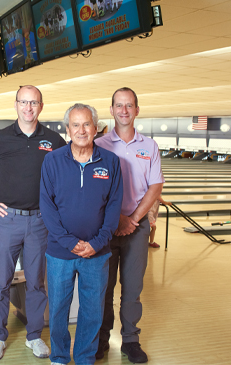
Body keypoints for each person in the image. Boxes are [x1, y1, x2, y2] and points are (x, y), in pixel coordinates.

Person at [0, 85, 66, 361]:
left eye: (33, 102)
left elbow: (67, 174)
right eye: (24, 102)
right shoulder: (0, 138)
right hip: (7, 219)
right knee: (2, 281)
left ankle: (34, 336)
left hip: (39, 222)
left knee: (36, 282)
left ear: (41, 106)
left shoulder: (55, 140)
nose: (28, 107)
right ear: (16, 105)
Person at [40, 104, 123, 365]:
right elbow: (47, 206)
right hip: (59, 252)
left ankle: (85, 358)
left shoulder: (110, 162)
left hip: (97, 254)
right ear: (67, 130)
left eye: (86, 124)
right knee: (58, 311)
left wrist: (97, 243)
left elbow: (114, 206)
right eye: (75, 125)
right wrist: (69, 242)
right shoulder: (52, 160)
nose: (81, 130)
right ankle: (60, 357)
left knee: (92, 312)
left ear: (95, 128)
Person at [95, 87, 164, 363]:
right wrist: (116, 220)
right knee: (103, 287)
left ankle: (130, 341)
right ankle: (101, 340)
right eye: (119, 105)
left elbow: (155, 185)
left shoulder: (150, 146)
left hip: (137, 229)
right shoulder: (99, 145)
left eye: (129, 105)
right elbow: (93, 189)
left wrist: (133, 219)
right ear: (111, 110)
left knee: (132, 290)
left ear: (137, 110)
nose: (124, 110)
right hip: (105, 229)